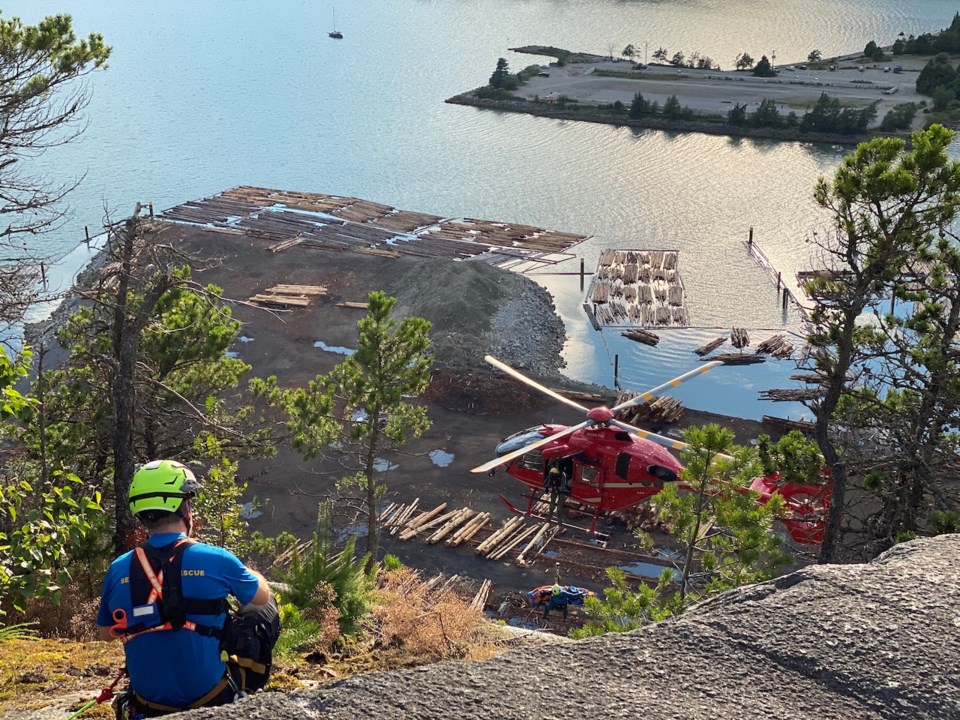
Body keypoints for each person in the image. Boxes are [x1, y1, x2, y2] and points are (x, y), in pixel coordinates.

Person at [97, 460, 280, 718]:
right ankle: (247, 690)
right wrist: (252, 574)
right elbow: (261, 597)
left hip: (148, 704)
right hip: (211, 697)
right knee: (266, 607)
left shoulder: (118, 568)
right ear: (185, 507)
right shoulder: (215, 558)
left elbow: (106, 634)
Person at [544, 464, 569, 528]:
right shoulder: (552, 474)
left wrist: (558, 489)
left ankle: (559, 522)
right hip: (554, 490)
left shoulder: (562, 475)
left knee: (559, 508)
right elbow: (548, 481)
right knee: (551, 505)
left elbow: (563, 485)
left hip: (561, 491)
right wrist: (547, 488)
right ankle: (549, 517)